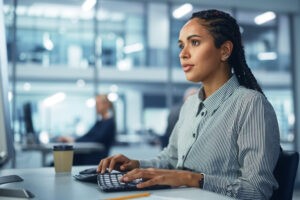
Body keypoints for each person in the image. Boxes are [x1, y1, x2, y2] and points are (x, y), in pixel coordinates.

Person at [97, 9, 280, 199]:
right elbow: (170, 159)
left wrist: (191, 178)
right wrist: (136, 165)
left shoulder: (251, 105)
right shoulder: (190, 105)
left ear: (224, 50)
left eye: (194, 42)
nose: (183, 54)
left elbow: (257, 191)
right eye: (181, 45)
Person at [58, 94, 116, 165]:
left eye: (98, 104)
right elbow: (88, 135)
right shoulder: (100, 122)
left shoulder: (109, 123)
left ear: (106, 105)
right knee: (59, 161)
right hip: (89, 154)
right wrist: (73, 140)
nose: (96, 107)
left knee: (63, 161)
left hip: (95, 157)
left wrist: (74, 140)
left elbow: (97, 139)